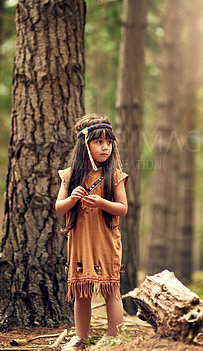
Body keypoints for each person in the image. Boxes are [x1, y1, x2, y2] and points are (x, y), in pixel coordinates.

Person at [55, 113, 128, 350]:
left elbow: (123, 208)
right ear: (84, 146)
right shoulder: (70, 176)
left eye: (109, 142)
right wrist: (72, 200)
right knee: (81, 291)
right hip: (80, 242)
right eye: (99, 142)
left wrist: (103, 204)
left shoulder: (114, 175)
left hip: (106, 241)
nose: (105, 147)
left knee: (111, 289)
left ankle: (114, 338)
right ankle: (80, 338)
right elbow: (59, 207)